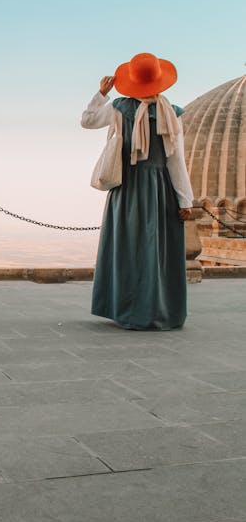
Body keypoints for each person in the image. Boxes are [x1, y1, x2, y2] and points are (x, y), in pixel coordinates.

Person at [81, 52, 194, 330]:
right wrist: (185, 200)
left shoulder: (119, 108)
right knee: (156, 253)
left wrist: (101, 93)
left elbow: (87, 120)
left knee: (128, 249)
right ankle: (156, 311)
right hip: (160, 190)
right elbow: (175, 160)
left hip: (127, 188)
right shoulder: (172, 114)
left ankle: (127, 310)